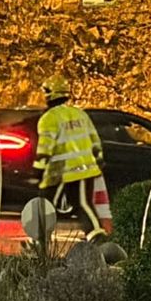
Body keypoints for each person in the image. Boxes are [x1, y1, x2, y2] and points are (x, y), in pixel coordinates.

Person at [33, 75, 107, 243]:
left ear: (50, 94)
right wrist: (100, 160)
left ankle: (40, 239)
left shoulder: (49, 118)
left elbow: (45, 147)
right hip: (85, 168)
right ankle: (96, 235)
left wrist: (38, 168)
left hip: (61, 170)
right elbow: (95, 140)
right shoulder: (80, 114)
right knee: (83, 203)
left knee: (46, 203)